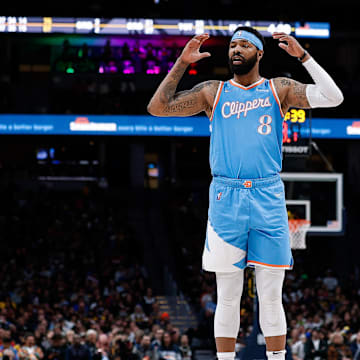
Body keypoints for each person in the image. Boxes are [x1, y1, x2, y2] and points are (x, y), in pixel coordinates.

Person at [147, 26, 343, 360]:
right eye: (232, 45)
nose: (235, 49)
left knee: (270, 295)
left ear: (259, 53)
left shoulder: (277, 89)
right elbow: (158, 108)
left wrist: (304, 57)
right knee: (228, 293)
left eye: (244, 45)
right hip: (226, 195)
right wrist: (181, 62)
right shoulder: (213, 91)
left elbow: (333, 97)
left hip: (267, 194)